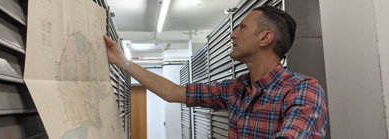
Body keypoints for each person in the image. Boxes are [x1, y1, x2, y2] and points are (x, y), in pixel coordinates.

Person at [103, 5, 327, 139]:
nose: (232, 35)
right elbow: (172, 92)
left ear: (265, 38)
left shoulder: (303, 90)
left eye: (242, 27)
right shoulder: (235, 89)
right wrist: (122, 61)